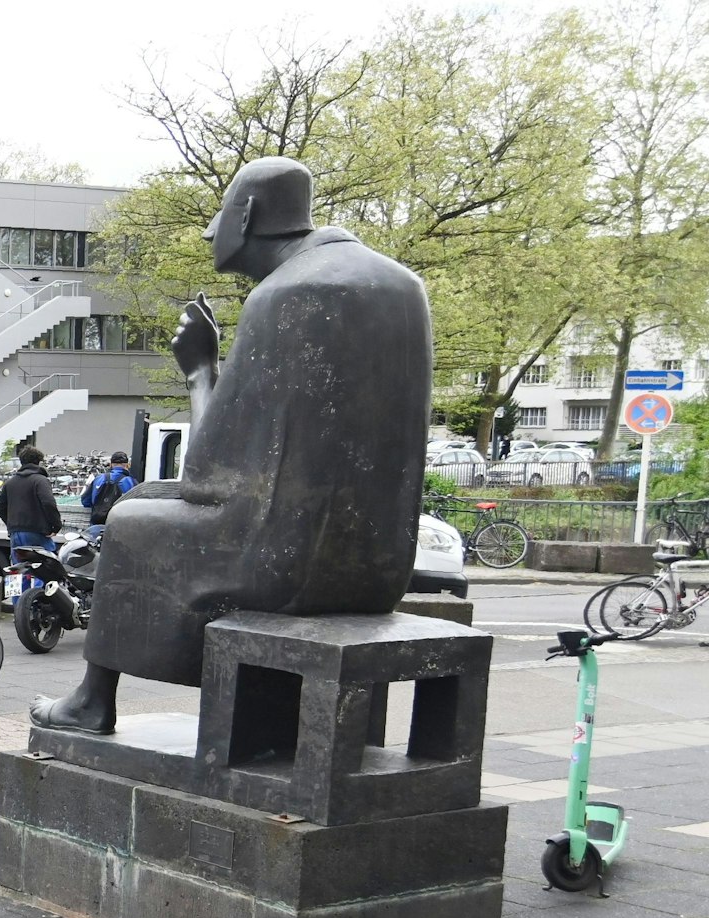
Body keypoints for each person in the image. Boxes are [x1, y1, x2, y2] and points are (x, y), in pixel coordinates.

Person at [34, 156, 433, 735]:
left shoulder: (287, 293)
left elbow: (207, 473)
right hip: (374, 565)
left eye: (219, 213)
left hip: (286, 564)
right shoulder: (402, 286)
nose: (210, 230)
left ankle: (92, 702)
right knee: (149, 492)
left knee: (128, 521)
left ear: (245, 215)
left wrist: (200, 369)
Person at [0, 446, 63, 565]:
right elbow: (48, 503)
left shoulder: (10, 483)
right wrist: (56, 526)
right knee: (45, 566)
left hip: (16, 533)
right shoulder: (40, 480)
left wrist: (12, 524)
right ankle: (38, 584)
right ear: (38, 462)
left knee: (20, 567)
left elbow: (1, 508)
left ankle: (19, 583)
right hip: (37, 532)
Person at [80, 452, 136, 531]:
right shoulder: (131, 482)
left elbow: (85, 501)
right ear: (127, 465)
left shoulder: (98, 478)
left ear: (111, 464)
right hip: (120, 528)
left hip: (97, 527)